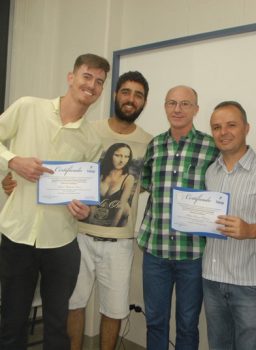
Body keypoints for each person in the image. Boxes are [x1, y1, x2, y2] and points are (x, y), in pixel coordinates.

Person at [0, 53, 110, 350]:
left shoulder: (92, 139)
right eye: (87, 76)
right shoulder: (27, 107)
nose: (92, 85)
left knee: (57, 328)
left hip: (61, 243)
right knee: (11, 323)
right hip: (17, 234)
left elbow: (85, 196)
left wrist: (84, 209)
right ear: (71, 77)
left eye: (99, 82)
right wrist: (13, 161)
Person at [68, 71, 152, 350]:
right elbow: (66, 170)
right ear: (115, 95)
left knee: (114, 310)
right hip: (79, 235)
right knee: (74, 304)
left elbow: (144, 186)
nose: (131, 99)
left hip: (120, 243)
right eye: (126, 92)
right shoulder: (89, 129)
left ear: (144, 102)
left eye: (138, 95)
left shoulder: (150, 142)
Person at [137, 85, 219, 350]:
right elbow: (144, 184)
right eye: (172, 103)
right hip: (155, 252)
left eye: (185, 104)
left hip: (193, 254)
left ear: (196, 109)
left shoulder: (211, 146)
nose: (177, 109)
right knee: (155, 322)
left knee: (187, 324)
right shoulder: (155, 145)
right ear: (164, 107)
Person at [202, 101, 256, 350]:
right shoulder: (210, 172)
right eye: (216, 127)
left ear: (246, 128)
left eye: (231, 125)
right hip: (212, 280)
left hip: (250, 284)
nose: (223, 132)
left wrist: (251, 230)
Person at [89, 143, 135, 227]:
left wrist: (111, 230)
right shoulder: (100, 174)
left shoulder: (129, 178)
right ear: (110, 155)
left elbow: (120, 208)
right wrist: (90, 224)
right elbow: (92, 203)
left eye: (126, 157)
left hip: (120, 220)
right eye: (118, 155)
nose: (122, 161)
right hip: (100, 217)